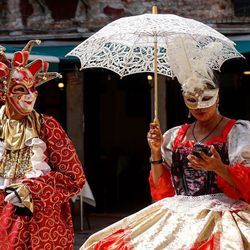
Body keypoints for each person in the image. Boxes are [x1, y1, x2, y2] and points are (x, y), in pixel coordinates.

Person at [80, 49, 250, 249]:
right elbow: (162, 189)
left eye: (206, 99)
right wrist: (155, 150)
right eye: (192, 100)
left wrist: (219, 167)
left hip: (222, 213)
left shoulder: (238, 132)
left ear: (218, 97)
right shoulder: (174, 136)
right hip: (177, 211)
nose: (199, 106)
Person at [0, 40, 85, 249]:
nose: (29, 96)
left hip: (41, 224)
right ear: (4, 92)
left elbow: (74, 178)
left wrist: (33, 189)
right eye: (20, 89)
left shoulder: (47, 126)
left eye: (33, 89)